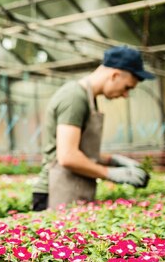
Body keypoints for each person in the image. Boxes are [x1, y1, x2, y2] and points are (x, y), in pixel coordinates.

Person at [32, 46, 154, 211]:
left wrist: (114, 160)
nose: (125, 95)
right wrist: (110, 173)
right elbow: (67, 156)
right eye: (127, 87)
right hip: (54, 191)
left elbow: (79, 150)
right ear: (115, 75)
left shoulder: (87, 99)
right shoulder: (74, 98)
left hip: (69, 187)